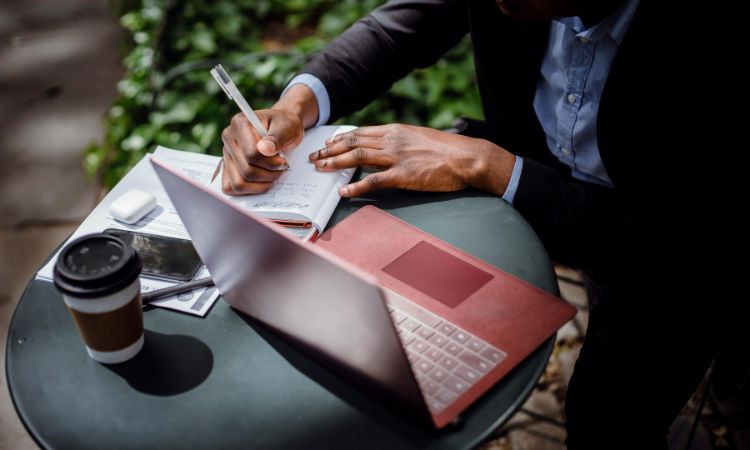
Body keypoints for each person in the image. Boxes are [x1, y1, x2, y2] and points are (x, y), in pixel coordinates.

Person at [219, 0, 738, 448]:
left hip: (675, 249)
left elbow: (687, 234)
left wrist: (488, 165)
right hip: (535, 175)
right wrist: (297, 104)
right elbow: (399, 28)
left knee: (607, 417)